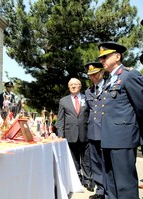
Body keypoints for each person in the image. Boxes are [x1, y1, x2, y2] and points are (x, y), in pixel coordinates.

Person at [98, 42, 143, 198]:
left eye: (105, 56)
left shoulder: (129, 76)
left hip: (123, 140)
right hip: (108, 139)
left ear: (117, 56)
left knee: (125, 185)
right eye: (101, 57)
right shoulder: (109, 80)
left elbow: (141, 107)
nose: (102, 60)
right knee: (110, 184)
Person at [57, 78, 94, 191]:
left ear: (80, 86)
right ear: (68, 87)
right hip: (70, 135)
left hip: (85, 134)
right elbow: (60, 119)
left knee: (87, 159)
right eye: (71, 85)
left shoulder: (87, 98)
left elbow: (92, 115)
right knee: (74, 159)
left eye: (75, 84)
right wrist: (60, 135)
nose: (73, 86)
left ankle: (88, 180)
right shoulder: (63, 101)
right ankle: (77, 179)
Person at [84, 62, 106, 199]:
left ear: (102, 72)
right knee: (96, 163)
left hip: (106, 132)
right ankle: (100, 191)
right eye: (90, 75)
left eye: (95, 74)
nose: (93, 77)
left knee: (107, 163)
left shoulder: (109, 87)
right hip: (92, 132)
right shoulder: (88, 91)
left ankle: (109, 191)